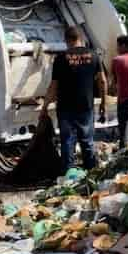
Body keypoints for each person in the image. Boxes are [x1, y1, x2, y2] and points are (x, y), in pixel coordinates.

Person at [42, 26, 107, 172]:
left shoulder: (60, 58)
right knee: (87, 141)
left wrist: (45, 106)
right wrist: (103, 102)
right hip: (86, 106)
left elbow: (53, 86)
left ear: (66, 40)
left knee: (67, 141)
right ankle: (91, 171)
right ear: (81, 39)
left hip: (65, 108)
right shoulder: (94, 56)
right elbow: (102, 81)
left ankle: (68, 174)